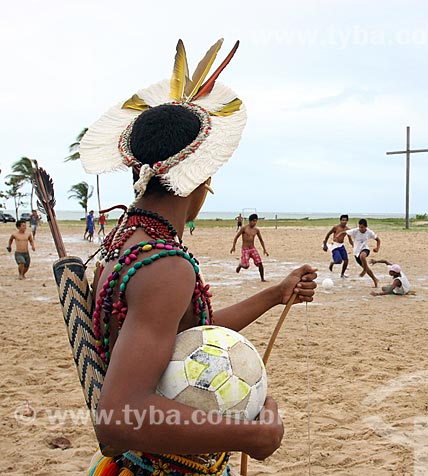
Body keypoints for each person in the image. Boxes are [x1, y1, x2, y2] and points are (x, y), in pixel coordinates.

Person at [79, 39, 317, 476]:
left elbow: (181, 338)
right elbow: (116, 419)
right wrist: (252, 436)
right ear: (202, 175)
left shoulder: (127, 241)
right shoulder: (164, 266)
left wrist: (275, 295)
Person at [231, 213, 269, 282]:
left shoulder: (256, 230)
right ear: (250, 221)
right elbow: (236, 237)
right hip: (245, 249)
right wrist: (233, 247)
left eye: (255, 221)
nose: (254, 223)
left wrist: (264, 249)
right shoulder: (244, 228)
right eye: (253, 221)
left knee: (260, 263)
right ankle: (240, 265)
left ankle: (262, 278)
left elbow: (261, 240)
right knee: (246, 266)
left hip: (252, 248)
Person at [346, 218, 380, 287]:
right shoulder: (355, 231)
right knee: (367, 268)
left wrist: (377, 248)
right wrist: (349, 240)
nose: (360, 229)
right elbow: (345, 232)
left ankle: (364, 270)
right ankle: (375, 279)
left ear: (366, 227)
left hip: (365, 249)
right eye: (359, 227)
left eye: (362, 227)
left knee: (362, 256)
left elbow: (378, 240)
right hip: (356, 253)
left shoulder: (369, 232)